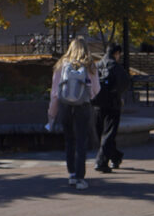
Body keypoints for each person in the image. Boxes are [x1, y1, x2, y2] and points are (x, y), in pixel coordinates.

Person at [48, 37, 101, 189]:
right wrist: (88, 94)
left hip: (65, 107)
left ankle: (71, 174)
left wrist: (52, 114)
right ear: (85, 48)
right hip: (82, 107)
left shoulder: (61, 65)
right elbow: (96, 89)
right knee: (81, 142)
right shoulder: (90, 65)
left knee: (69, 141)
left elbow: (55, 93)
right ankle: (80, 178)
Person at [93, 43, 130, 172]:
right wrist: (117, 94)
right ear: (116, 53)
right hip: (112, 104)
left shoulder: (97, 65)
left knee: (101, 133)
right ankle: (102, 161)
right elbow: (125, 83)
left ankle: (115, 157)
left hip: (97, 104)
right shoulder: (116, 67)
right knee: (109, 134)